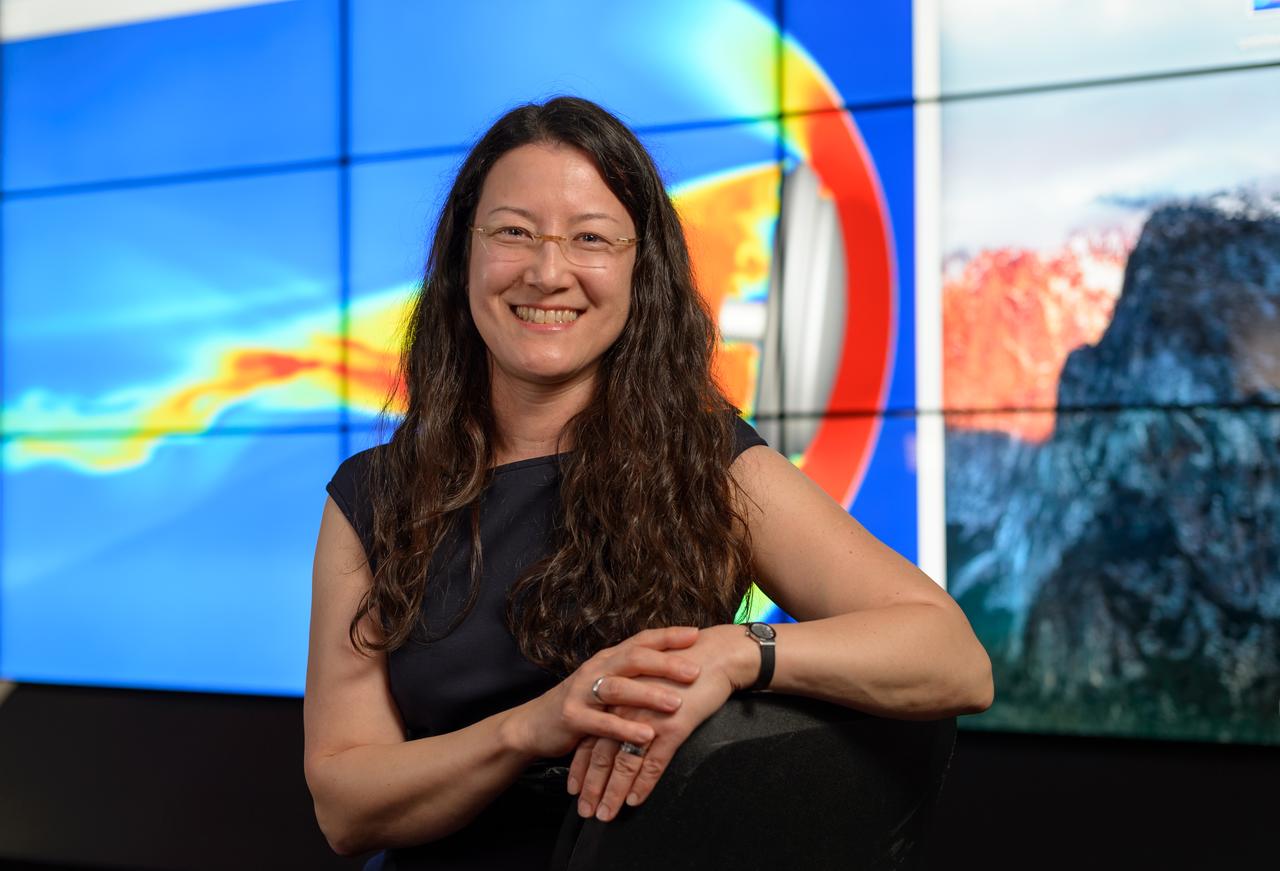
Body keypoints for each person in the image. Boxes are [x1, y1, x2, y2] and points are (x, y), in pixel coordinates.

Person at [304, 96, 993, 870]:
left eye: (590, 238)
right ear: (464, 255)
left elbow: (952, 656)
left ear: (642, 269)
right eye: (512, 232)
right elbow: (344, 801)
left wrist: (734, 653)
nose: (547, 270)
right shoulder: (371, 495)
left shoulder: (707, 462)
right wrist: (531, 725)